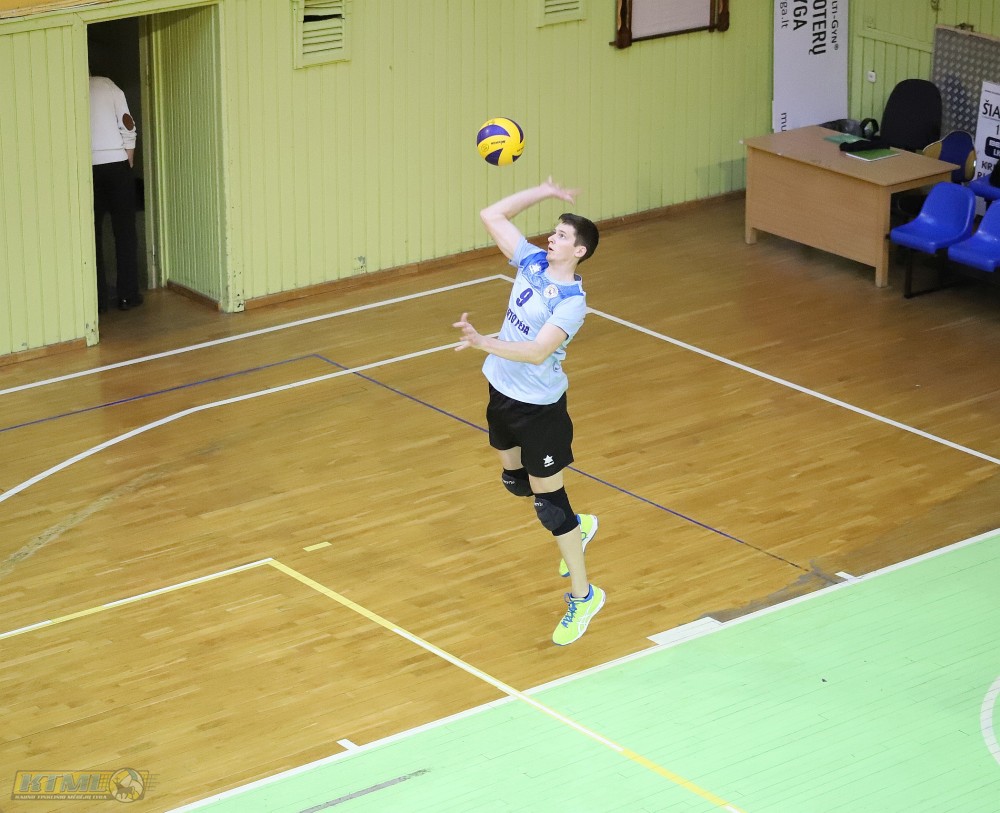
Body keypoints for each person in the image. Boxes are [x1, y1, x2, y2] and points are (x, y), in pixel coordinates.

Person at [454, 177, 603, 646]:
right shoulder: (532, 262)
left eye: (562, 235)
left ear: (579, 251)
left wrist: (484, 342)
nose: (551, 238)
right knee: (514, 482)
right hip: (501, 392)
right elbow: (491, 215)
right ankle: (581, 526)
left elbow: (538, 352)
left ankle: (584, 595)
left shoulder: (572, 304)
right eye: (553, 231)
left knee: (549, 506)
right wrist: (544, 190)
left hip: (540, 409)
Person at [89, 69, 142, 312]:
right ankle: (127, 296)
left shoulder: (68, 87)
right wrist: (128, 159)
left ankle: (97, 301)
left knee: (92, 235)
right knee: (125, 231)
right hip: (117, 163)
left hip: (87, 167)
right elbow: (127, 123)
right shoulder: (107, 84)